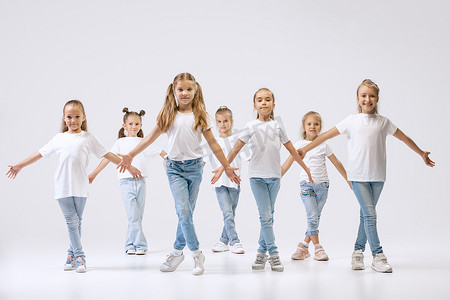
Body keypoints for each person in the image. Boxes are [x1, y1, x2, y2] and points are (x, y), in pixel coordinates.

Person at [298, 79, 435, 273]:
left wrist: (421, 153)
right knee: (371, 215)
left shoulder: (383, 122)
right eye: (363, 95)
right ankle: (378, 256)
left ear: (377, 98)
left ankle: (357, 253)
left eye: (371, 96)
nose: (367, 99)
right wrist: (305, 148)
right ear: (358, 98)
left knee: (365, 216)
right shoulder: (350, 121)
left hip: (378, 177)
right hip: (357, 177)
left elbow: (405, 138)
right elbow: (324, 136)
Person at [117, 73, 240, 276]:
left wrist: (226, 165)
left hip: (194, 169)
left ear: (195, 91)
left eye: (189, 89)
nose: (185, 93)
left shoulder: (201, 116)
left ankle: (176, 251)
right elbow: (148, 138)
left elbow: (214, 145)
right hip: (174, 169)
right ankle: (197, 254)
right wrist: (130, 154)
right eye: (180, 89)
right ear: (173, 91)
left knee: (186, 215)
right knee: (183, 212)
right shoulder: (168, 115)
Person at [6, 100, 142, 273]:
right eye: (69, 117)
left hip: (81, 186)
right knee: (71, 221)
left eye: (77, 116)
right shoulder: (59, 138)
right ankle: (80, 257)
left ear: (83, 117)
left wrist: (128, 166)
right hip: (62, 186)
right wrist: (20, 165)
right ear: (64, 118)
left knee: (77, 223)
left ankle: (70, 255)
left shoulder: (88, 138)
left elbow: (107, 154)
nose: (73, 120)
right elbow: (39, 154)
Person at [212, 88, 313, 272]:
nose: (264, 103)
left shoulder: (277, 126)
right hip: (256, 177)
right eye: (260, 100)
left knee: (269, 217)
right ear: (255, 105)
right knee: (265, 217)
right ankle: (274, 255)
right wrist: (222, 166)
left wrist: (305, 168)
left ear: (273, 104)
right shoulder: (251, 126)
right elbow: (234, 149)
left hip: (275, 177)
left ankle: (260, 253)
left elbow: (291, 150)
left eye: (268, 100)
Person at [88, 107, 166, 255]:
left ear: (141, 125)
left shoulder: (144, 142)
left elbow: (160, 151)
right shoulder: (120, 142)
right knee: (133, 216)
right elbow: (107, 158)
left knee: (137, 217)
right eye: (130, 124)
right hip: (126, 182)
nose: (134, 127)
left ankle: (130, 245)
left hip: (141, 182)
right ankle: (141, 245)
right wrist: (94, 173)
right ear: (124, 126)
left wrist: (172, 161)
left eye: (137, 124)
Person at [282, 111, 350, 262]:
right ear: (303, 127)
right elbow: (288, 163)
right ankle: (318, 248)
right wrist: (276, 176)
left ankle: (303, 247)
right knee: (312, 217)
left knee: (314, 218)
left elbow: (337, 162)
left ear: (320, 127)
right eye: (309, 124)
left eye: (316, 124)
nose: (313, 126)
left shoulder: (324, 145)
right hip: (306, 185)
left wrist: (347, 179)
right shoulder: (298, 145)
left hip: (323, 186)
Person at [205, 106, 248, 254]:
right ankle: (235, 242)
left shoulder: (238, 140)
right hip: (219, 183)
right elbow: (203, 161)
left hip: (235, 182)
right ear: (216, 123)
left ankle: (223, 241)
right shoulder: (212, 141)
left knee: (230, 213)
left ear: (231, 121)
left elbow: (248, 157)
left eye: (225, 121)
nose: (222, 124)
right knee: (228, 213)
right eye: (219, 121)